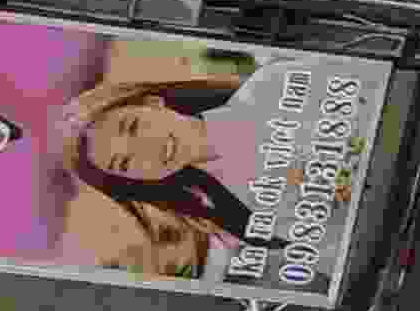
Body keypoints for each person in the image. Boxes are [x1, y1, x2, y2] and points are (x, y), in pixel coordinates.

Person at [53, 57, 266, 280]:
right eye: (125, 163)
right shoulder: (214, 217)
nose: (146, 150)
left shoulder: (263, 95)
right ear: (135, 180)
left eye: (132, 127)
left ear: (152, 103)